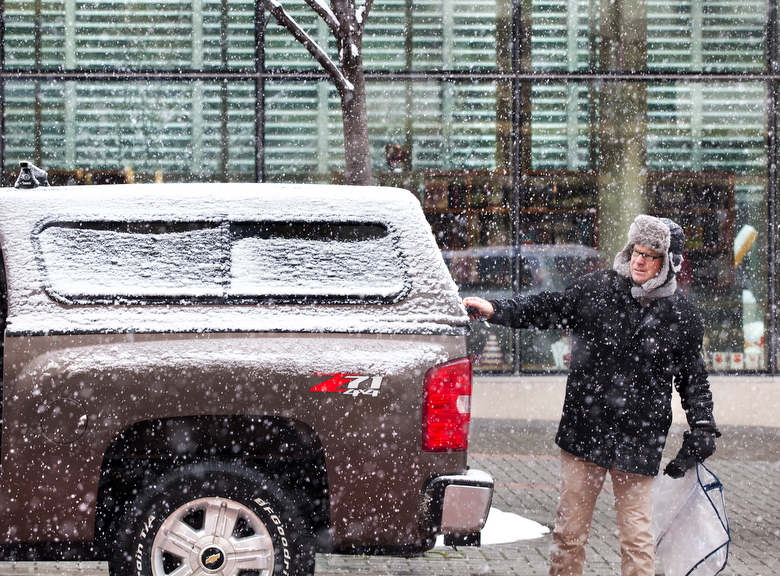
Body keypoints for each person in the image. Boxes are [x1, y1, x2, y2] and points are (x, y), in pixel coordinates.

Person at [463, 215, 720, 576]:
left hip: (639, 438)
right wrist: (498, 309)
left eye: (651, 255)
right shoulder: (597, 289)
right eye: (636, 251)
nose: (639, 261)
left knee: (637, 540)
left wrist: (703, 425)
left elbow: (693, 378)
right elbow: (548, 307)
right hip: (586, 432)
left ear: (669, 265)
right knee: (569, 535)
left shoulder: (681, 315)